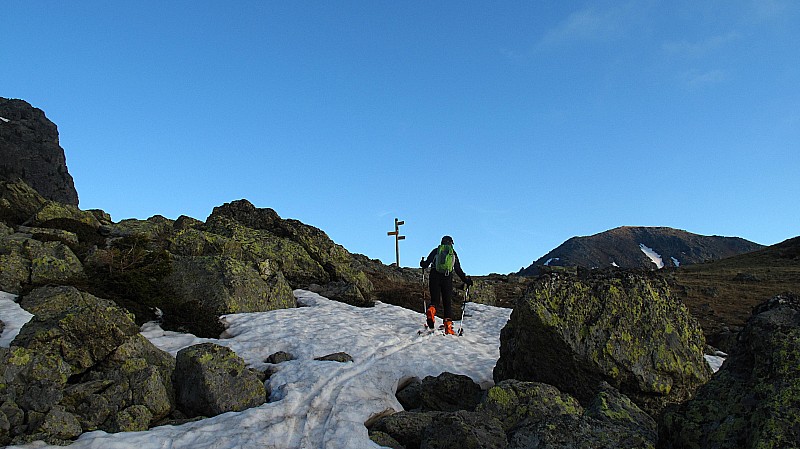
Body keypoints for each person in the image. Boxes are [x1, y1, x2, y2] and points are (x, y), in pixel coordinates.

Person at [420, 235, 473, 335]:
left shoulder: (436, 251)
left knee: (435, 300)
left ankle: (431, 310)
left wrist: (422, 263)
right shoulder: (453, 253)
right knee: (447, 302)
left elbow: (426, 264)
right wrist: (466, 280)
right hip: (447, 278)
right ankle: (448, 327)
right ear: (451, 243)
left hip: (434, 276)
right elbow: (458, 270)